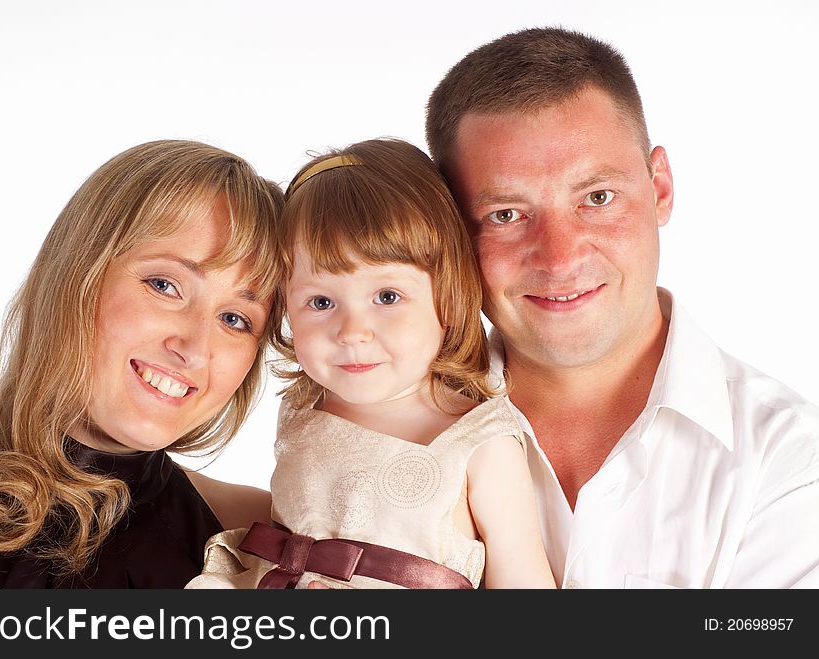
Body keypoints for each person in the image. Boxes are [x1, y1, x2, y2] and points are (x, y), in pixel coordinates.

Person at [425, 27, 819, 588]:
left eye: (597, 198)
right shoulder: (393, 431)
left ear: (659, 188)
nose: (560, 259)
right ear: (450, 232)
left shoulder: (792, 463)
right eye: (507, 215)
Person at [186, 138, 555, 589]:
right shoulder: (305, 408)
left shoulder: (480, 443)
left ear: (447, 295)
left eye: (387, 296)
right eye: (320, 301)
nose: (352, 331)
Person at [0, 139, 281, 588]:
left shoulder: (260, 538)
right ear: (75, 274)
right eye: (165, 285)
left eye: (235, 319)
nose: (196, 349)